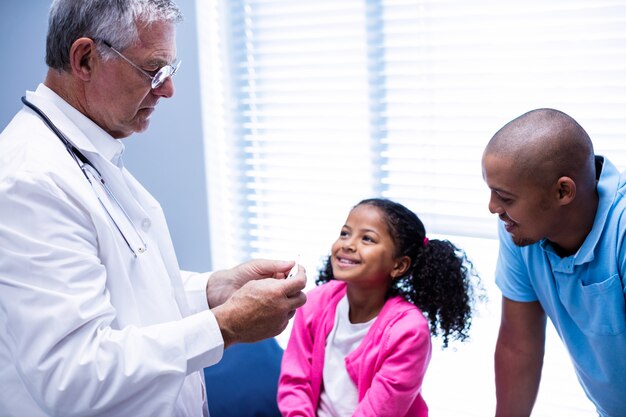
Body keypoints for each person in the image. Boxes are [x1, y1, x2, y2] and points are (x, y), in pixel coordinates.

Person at [0, 1, 307, 416]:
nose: (167, 89)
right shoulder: (30, 180)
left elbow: (121, 292)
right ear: (85, 58)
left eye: (169, 71)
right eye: (152, 70)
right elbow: (74, 376)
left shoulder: (86, 154)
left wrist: (214, 291)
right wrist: (227, 325)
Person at [277, 198, 481, 417]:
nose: (348, 244)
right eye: (345, 233)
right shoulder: (315, 303)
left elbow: (378, 412)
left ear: (399, 265)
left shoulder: (408, 331)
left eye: (367, 238)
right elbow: (294, 383)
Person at [481, 108, 626, 417]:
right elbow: (519, 348)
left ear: (563, 191)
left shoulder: (622, 231)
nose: (493, 207)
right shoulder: (521, 231)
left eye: (505, 198)